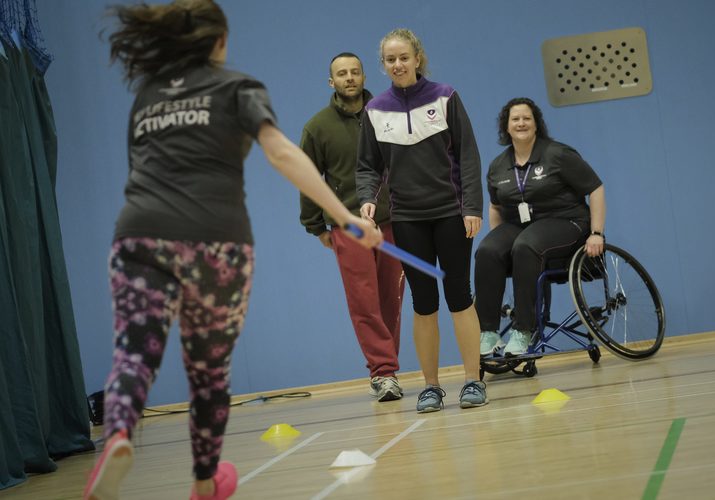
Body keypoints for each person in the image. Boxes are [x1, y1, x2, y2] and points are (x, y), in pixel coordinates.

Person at [84, 2, 381, 499]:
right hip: (215, 240)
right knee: (208, 369)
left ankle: (117, 432)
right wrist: (346, 215)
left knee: (135, 353)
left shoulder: (148, 95)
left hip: (139, 234)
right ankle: (204, 481)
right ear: (219, 41)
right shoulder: (238, 87)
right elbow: (283, 153)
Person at [356, 28, 487, 413]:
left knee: (459, 297)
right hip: (407, 220)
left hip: (450, 214)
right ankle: (431, 387)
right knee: (424, 302)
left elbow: (467, 156)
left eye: (404, 57)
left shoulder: (445, 96)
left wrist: (472, 207)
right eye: (390, 60)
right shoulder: (375, 110)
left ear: (417, 58)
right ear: (384, 65)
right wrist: (367, 199)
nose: (398, 65)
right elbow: (367, 166)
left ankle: (473, 380)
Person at [299, 53, 405, 402]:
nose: (349, 78)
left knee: (391, 300)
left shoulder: (387, 112)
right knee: (364, 302)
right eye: (341, 74)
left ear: (363, 76)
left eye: (354, 72)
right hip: (349, 227)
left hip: (395, 222)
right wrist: (316, 225)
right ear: (331, 81)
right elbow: (309, 178)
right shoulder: (317, 127)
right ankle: (384, 372)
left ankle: (387, 366)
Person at [475, 97, 606, 357]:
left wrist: (596, 233)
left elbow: (595, 189)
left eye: (527, 118)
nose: (521, 123)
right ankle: (488, 331)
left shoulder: (558, 154)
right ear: (506, 126)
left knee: (526, 245)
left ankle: (524, 329)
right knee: (487, 251)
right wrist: (499, 243)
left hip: (566, 221)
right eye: (515, 119)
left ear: (536, 124)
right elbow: (495, 206)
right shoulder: (498, 165)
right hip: (521, 226)